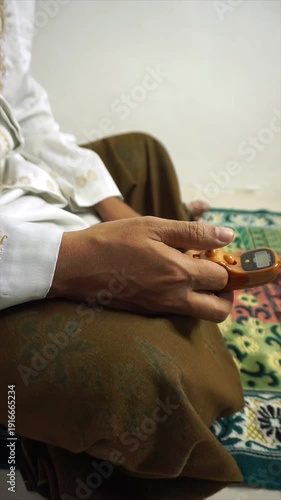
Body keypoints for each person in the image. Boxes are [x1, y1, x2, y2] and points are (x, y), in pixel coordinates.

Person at [0, 2, 244, 499]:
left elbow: (23, 112)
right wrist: (73, 264)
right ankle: (34, 445)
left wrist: (114, 212)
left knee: (144, 154)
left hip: (17, 182)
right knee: (145, 376)